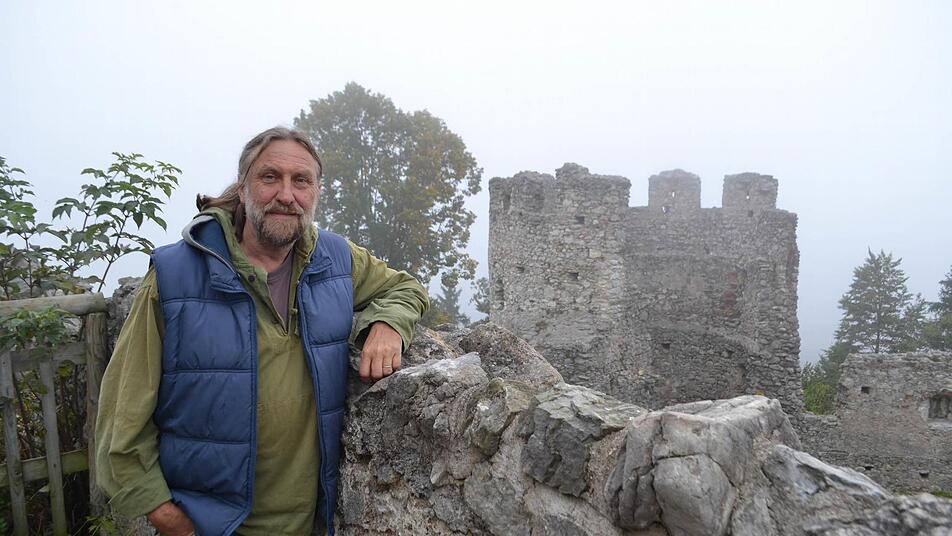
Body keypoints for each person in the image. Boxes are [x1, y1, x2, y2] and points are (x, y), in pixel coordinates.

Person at [95, 127, 429, 535]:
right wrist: (168, 517)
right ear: (243, 187)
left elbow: (405, 288)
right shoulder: (176, 277)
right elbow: (122, 418)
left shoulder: (336, 261)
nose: (286, 195)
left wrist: (389, 324)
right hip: (211, 526)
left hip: (313, 525)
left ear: (317, 192)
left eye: (301, 180)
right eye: (270, 177)